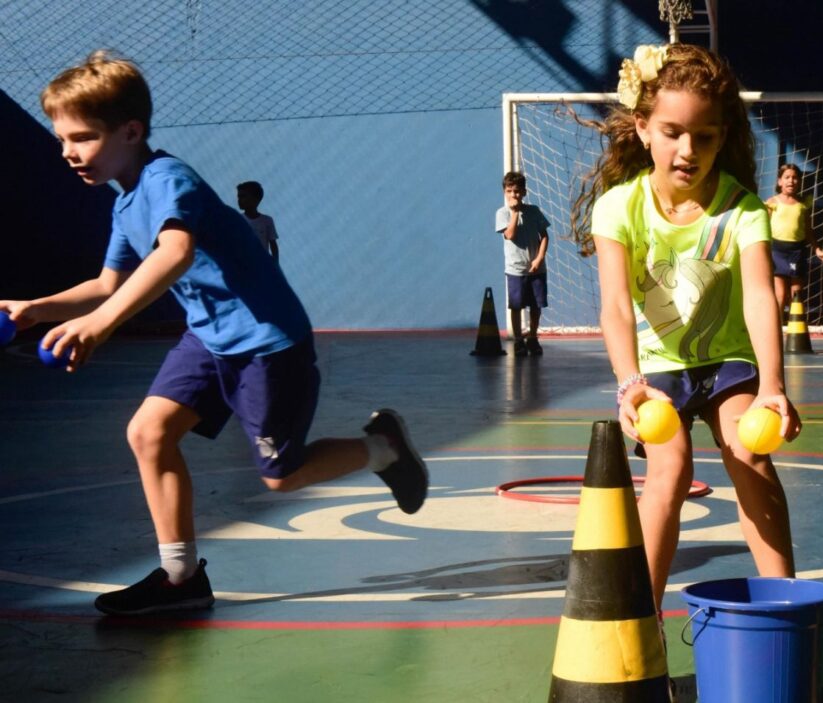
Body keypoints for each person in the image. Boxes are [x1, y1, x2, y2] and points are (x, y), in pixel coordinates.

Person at [0, 51, 428, 616]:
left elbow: (175, 254)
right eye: (61, 140)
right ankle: (181, 579)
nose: (68, 153)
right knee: (148, 434)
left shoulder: (167, 179)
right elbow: (108, 284)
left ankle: (383, 448)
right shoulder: (126, 202)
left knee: (282, 477)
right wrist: (39, 309)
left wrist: (101, 327)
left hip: (267, 344)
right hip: (207, 339)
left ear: (130, 131)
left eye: (81, 138)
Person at [569, 43, 803, 612]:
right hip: (656, 369)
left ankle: (787, 608)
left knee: (750, 453)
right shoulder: (618, 209)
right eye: (673, 132)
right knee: (669, 469)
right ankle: (642, 625)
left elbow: (756, 297)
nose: (688, 149)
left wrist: (771, 387)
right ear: (643, 128)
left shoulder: (744, 209)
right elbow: (617, 308)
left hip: (727, 361)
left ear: (724, 137)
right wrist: (629, 382)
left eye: (704, 135)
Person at [764, 163, 823, 325]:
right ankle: (777, 327)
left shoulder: (803, 204)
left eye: (795, 178)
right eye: (787, 177)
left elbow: (808, 229)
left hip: (797, 251)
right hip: (777, 251)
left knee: (796, 292)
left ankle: (796, 328)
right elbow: (764, 228)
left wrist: (817, 249)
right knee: (780, 294)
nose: (791, 181)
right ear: (780, 181)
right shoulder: (772, 202)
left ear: (799, 181)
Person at [495, 171, 550, 356]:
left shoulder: (534, 211)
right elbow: (510, 235)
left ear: (524, 192)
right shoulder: (502, 214)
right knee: (516, 305)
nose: (513, 195)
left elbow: (544, 236)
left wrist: (539, 258)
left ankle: (533, 337)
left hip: (536, 268)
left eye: (517, 191)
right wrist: (515, 214)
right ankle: (518, 340)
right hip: (516, 269)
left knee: (536, 304)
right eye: (509, 191)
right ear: (504, 192)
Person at [236, 180, 279, 263]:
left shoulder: (267, 221)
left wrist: (275, 264)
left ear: (256, 199)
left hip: (263, 263)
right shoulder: (238, 219)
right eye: (239, 197)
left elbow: (273, 244)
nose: (239, 200)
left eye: (243, 196)